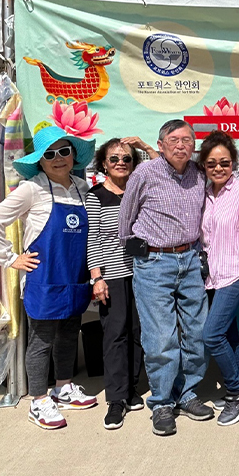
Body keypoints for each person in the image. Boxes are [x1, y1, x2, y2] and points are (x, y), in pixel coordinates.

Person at [0, 125, 97, 429]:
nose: (58, 158)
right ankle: (38, 400)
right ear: (40, 161)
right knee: (42, 341)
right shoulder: (31, 189)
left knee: (70, 334)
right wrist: (10, 258)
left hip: (75, 277)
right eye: (50, 154)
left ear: (73, 155)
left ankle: (63, 387)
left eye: (64, 151)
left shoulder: (82, 189)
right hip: (44, 280)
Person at [118, 119, 213, 436]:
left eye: (187, 139)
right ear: (160, 145)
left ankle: (187, 393)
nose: (181, 145)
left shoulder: (199, 174)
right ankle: (161, 402)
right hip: (154, 261)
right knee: (161, 338)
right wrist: (138, 253)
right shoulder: (145, 173)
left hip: (190, 259)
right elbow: (125, 221)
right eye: (174, 139)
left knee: (196, 332)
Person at [85, 136, 157, 430]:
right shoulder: (96, 196)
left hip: (143, 272)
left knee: (139, 331)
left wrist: (146, 147)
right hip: (111, 275)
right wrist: (97, 277)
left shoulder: (140, 190)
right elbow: (93, 239)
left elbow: (162, 169)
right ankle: (116, 399)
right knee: (115, 334)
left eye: (126, 158)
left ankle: (131, 389)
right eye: (114, 158)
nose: (120, 163)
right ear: (104, 164)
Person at [199, 130, 239, 426]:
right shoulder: (204, 194)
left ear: (234, 163)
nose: (218, 168)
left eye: (224, 162)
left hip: (235, 275)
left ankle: (235, 392)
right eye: (212, 163)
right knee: (229, 334)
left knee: (211, 335)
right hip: (211, 276)